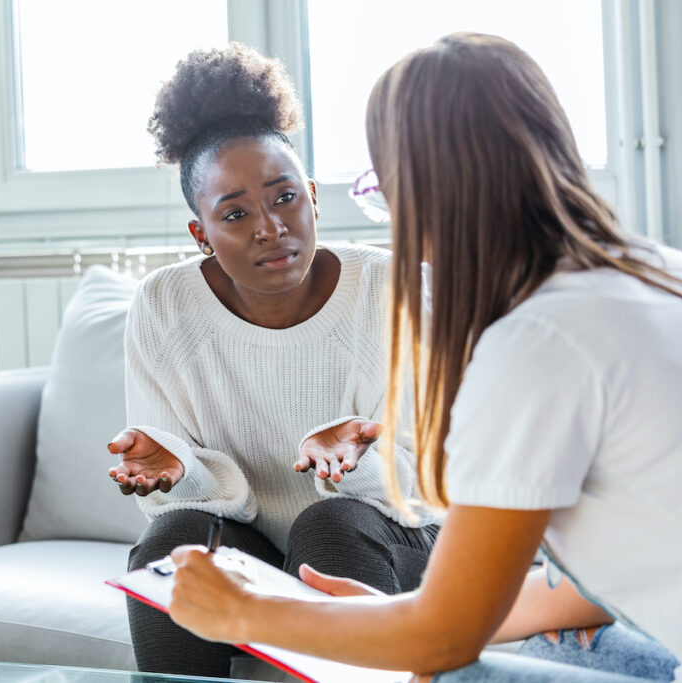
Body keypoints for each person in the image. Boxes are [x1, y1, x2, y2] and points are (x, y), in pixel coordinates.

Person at [166, 33, 682, 682]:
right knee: (540, 645)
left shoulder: (536, 345)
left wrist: (242, 612)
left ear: (427, 195)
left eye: (385, 192)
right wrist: (398, 617)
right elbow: (586, 592)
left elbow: (442, 641)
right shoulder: (662, 274)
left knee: (438, 672)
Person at [106, 43, 441, 677]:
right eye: (234, 213)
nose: (270, 227)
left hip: (401, 533)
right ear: (200, 232)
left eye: (285, 198)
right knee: (173, 546)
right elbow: (181, 500)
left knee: (332, 526)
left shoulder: (393, 287)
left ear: (313, 196)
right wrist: (180, 474)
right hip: (254, 542)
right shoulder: (163, 307)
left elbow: (430, 483)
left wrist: (363, 462)